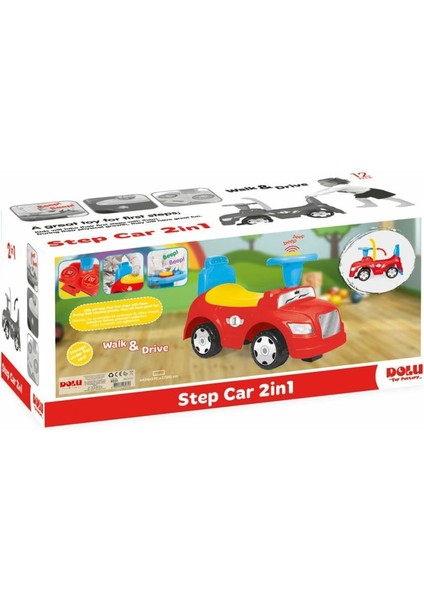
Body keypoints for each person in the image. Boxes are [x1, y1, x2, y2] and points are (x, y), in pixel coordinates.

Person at [309, 177, 413, 208]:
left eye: (323, 184)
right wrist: (314, 194)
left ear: (332, 182)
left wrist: (315, 195)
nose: (322, 185)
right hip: (362, 192)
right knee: (359, 198)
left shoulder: (340, 186)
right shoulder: (336, 186)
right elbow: (325, 190)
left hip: (369, 190)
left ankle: (406, 203)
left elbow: (328, 191)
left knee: (387, 198)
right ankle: (371, 204)